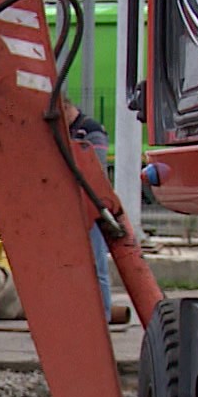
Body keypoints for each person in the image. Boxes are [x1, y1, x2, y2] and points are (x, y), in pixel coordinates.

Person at [66, 102, 114, 322]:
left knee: (97, 266)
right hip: (73, 206)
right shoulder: (69, 130)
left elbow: (96, 169)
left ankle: (102, 316)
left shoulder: (91, 130)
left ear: (65, 108)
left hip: (91, 206)